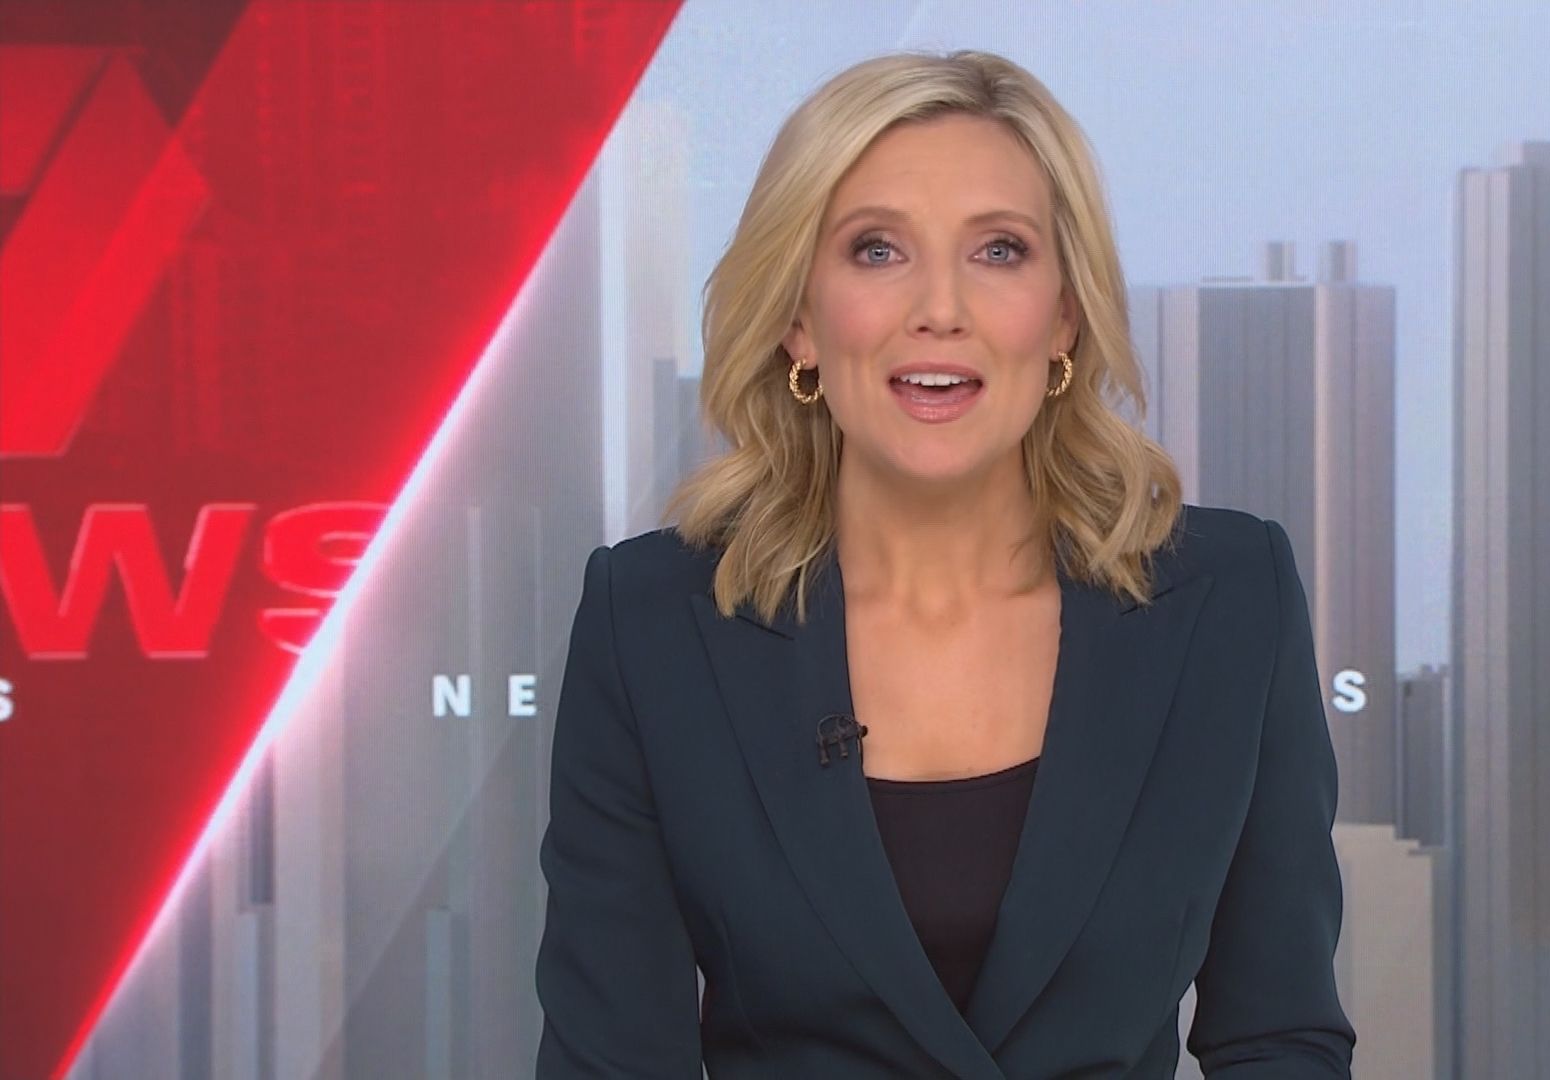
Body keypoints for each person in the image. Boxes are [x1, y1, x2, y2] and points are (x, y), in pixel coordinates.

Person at [533, 47, 1355, 1079]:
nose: (940, 306)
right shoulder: (651, 623)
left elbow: (1280, 1037)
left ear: (1064, 315)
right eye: (877, 250)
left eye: (999, 251)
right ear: (798, 319)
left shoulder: (1229, 599)